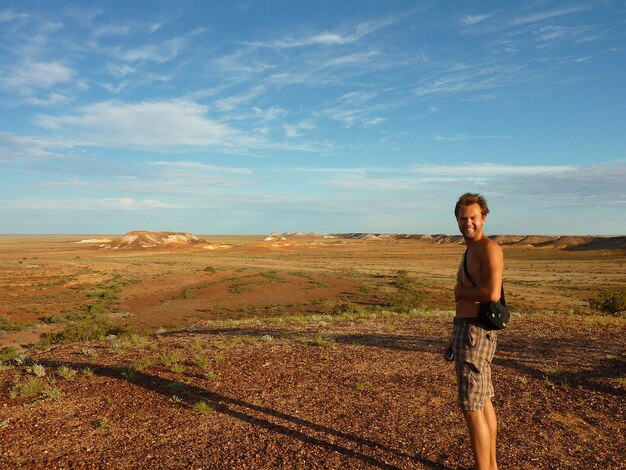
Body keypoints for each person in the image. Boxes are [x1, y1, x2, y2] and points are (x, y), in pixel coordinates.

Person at [446, 192, 503, 470]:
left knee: (471, 406)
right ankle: (491, 466)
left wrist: (459, 291)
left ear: (484, 218)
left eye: (473, 218)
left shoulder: (489, 249)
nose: (467, 222)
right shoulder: (470, 249)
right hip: (467, 331)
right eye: (463, 218)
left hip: (475, 334)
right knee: (484, 401)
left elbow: (492, 293)